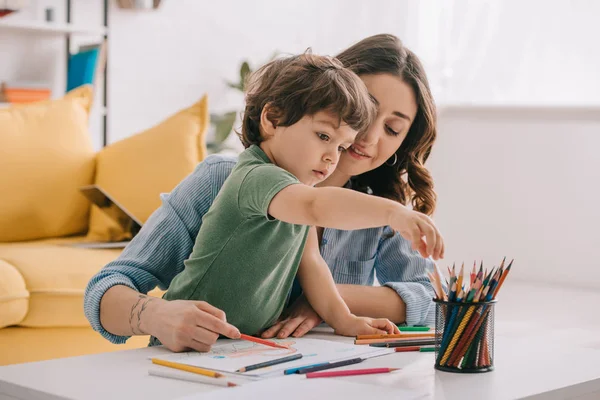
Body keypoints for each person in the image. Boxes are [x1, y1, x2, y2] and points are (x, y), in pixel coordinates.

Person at [84, 34, 442, 353]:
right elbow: (105, 290)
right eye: (363, 111)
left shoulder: (373, 211)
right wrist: (155, 315)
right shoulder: (236, 179)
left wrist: (328, 306)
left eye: (393, 128)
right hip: (199, 366)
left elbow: (434, 305)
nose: (367, 136)